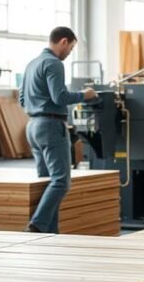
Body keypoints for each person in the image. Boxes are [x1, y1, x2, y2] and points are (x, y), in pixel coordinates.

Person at [18, 26, 97, 233]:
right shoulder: (53, 63)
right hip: (51, 126)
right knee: (62, 181)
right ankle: (37, 224)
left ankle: (50, 233)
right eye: (70, 48)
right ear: (64, 41)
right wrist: (85, 95)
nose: (69, 52)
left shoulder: (31, 63)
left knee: (46, 181)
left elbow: (22, 98)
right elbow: (60, 97)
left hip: (33, 126)